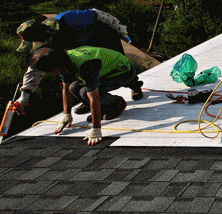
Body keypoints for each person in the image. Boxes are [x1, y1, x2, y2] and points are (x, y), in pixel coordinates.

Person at [14, 9, 142, 115]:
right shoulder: (42, 42)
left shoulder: (69, 19)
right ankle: (89, 100)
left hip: (104, 38)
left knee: (117, 66)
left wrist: (120, 31)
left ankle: (134, 85)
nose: (48, 44)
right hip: (83, 51)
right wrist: (25, 93)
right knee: (80, 74)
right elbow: (38, 66)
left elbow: (99, 15)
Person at [29, 46, 142, 146]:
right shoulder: (63, 61)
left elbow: (94, 96)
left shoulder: (86, 64)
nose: (49, 74)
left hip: (123, 72)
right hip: (106, 72)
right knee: (73, 88)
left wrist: (96, 129)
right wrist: (66, 114)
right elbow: (66, 88)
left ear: (56, 67)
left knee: (84, 93)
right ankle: (103, 107)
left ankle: (117, 104)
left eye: (49, 71)